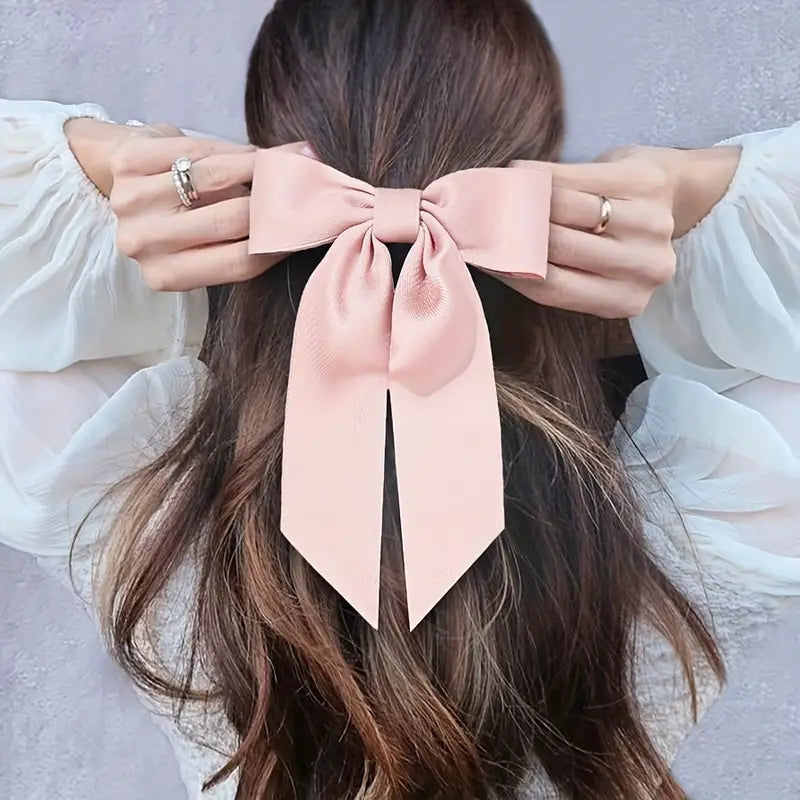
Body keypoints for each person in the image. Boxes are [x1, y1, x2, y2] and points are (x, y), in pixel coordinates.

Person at [0, 0, 798, 798]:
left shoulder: (141, 512)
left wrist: (110, 166)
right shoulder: (693, 537)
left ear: (263, 155)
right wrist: (695, 192)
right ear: (546, 170)